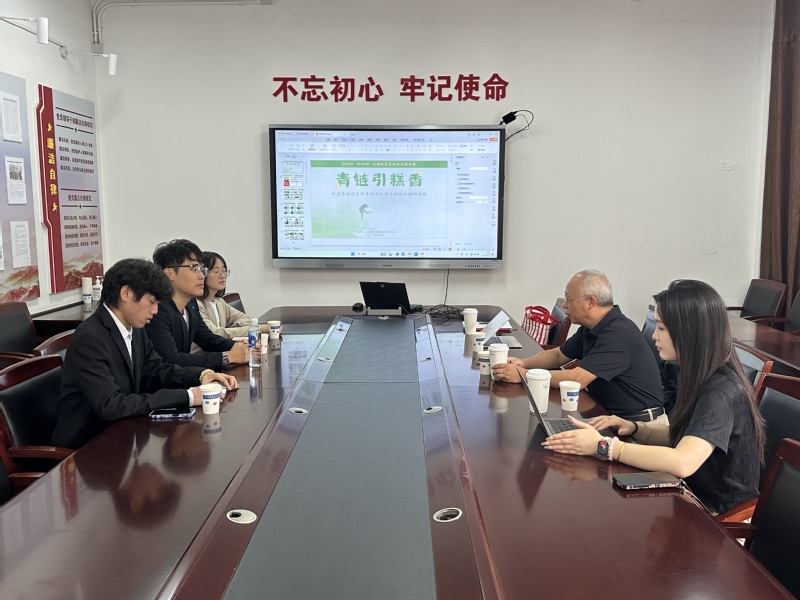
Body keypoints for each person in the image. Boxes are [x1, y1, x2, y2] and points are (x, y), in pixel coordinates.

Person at [542, 280, 766, 515]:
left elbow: (683, 462)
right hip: (684, 493)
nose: (654, 336)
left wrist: (603, 446)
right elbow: (688, 435)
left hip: (716, 515)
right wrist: (636, 428)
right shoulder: (695, 373)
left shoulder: (719, 392)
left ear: (688, 333)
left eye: (661, 328)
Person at [52, 258, 238, 449]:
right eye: (151, 302)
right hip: (86, 448)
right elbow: (111, 405)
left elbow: (158, 369)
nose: (155, 310)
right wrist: (189, 396)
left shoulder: (134, 327)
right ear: (126, 293)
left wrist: (202, 375)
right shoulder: (91, 338)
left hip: (125, 435)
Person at [493, 270, 666, 423]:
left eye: (568, 298)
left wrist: (524, 375)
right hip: (607, 415)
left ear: (590, 302)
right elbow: (558, 356)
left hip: (639, 424)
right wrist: (523, 363)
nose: (565, 304)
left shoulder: (618, 333)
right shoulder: (592, 327)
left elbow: (577, 379)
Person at [146, 239, 250, 368]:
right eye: (194, 268)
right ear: (170, 273)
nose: (202, 276)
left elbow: (207, 339)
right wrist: (227, 356)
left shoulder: (191, 303)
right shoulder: (156, 310)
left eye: (202, 269)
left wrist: (239, 347)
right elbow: (172, 360)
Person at [195, 251, 272, 349]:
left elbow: (245, 319)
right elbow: (214, 334)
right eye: (216, 271)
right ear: (203, 273)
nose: (222, 276)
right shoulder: (196, 305)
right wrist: (258, 329)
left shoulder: (219, 302)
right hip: (204, 355)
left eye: (224, 271)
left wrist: (228, 331)